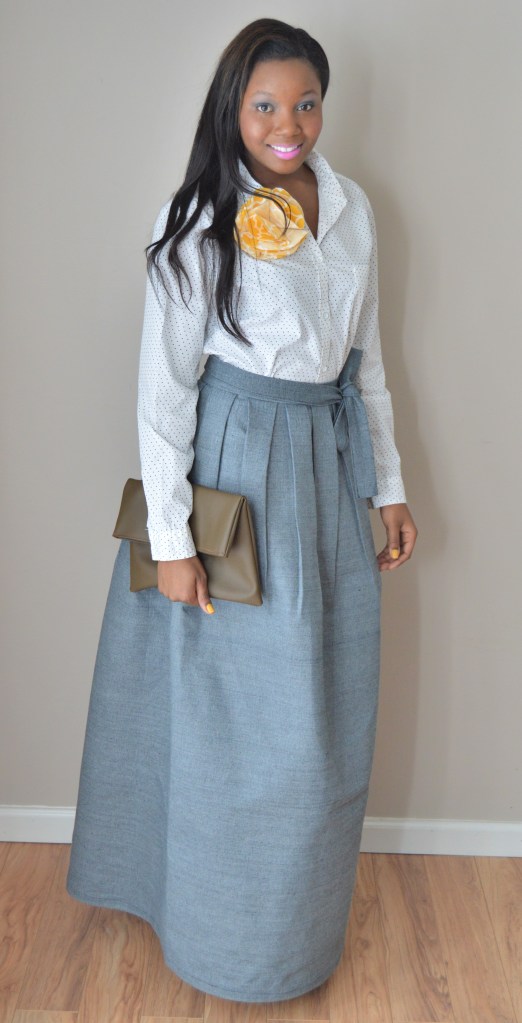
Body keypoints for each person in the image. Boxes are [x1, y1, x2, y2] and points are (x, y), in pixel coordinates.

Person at [66, 17, 418, 1004]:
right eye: (266, 105)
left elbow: (367, 367)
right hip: (234, 478)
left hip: (327, 466)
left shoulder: (352, 210)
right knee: (223, 723)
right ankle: (209, 931)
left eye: (306, 102)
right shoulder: (196, 219)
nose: (288, 125)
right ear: (233, 107)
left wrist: (389, 489)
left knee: (320, 718)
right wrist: (172, 542)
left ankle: (290, 938)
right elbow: (164, 394)